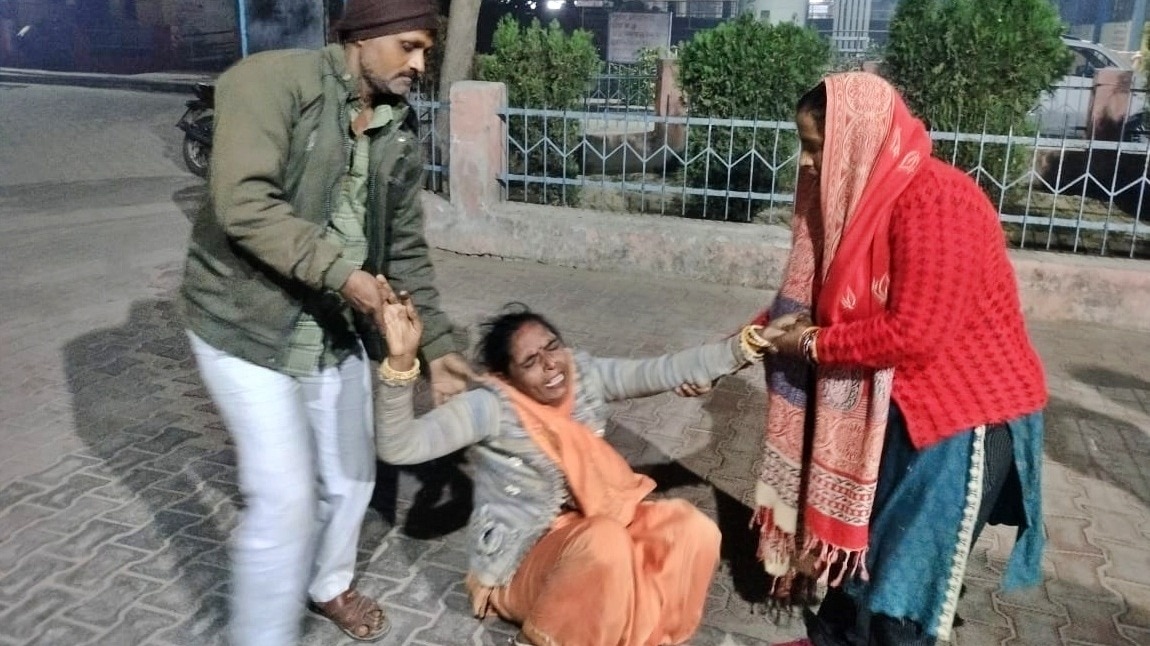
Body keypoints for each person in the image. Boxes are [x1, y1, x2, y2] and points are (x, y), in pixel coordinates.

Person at [178, 0, 472, 642]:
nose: (420, 64)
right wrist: (347, 277)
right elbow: (244, 205)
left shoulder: (397, 132)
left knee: (354, 476)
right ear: (360, 37)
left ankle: (329, 585)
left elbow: (404, 251)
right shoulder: (271, 82)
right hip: (244, 325)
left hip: (331, 330)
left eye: (425, 50)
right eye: (410, 46)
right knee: (284, 505)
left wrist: (440, 348)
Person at [752, 72, 1048, 646]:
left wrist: (811, 345)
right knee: (868, 549)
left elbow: (916, 334)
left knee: (906, 574)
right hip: (896, 407)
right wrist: (752, 337)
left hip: (963, 418)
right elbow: (817, 302)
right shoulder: (857, 207)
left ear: (857, 140)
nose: (807, 163)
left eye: (817, 146)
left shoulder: (937, 199)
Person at [373, 297, 781, 646]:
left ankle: (647, 634)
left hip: (589, 534)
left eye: (553, 347)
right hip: (525, 560)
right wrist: (400, 362)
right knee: (605, 542)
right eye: (531, 361)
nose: (552, 366)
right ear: (506, 376)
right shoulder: (490, 407)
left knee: (692, 529)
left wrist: (743, 348)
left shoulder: (581, 376)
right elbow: (399, 446)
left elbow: (660, 369)